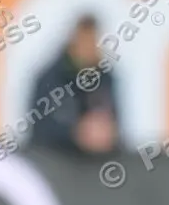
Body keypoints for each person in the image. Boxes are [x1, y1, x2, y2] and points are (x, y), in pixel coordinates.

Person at [28, 14, 119, 155]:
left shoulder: (105, 79)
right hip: (55, 159)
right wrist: (76, 133)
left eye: (93, 42)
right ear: (74, 41)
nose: (89, 48)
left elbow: (115, 122)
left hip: (97, 161)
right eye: (84, 42)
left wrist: (106, 133)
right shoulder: (50, 79)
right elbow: (39, 127)